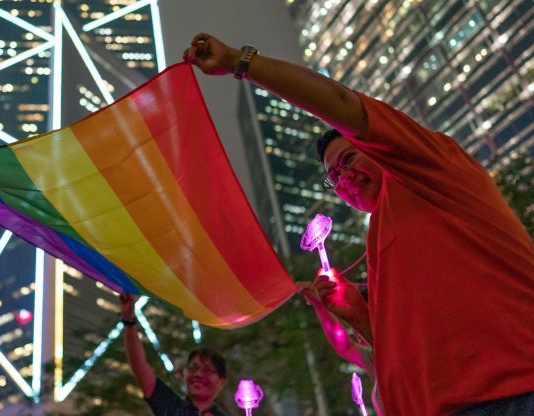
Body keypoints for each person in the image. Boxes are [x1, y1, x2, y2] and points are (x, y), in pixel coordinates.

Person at [184, 34, 534, 415]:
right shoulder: (381, 235)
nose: (344, 176)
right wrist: (357, 314)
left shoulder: (429, 168)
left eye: (349, 159)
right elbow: (404, 347)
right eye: (334, 176)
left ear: (377, 147)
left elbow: (341, 104)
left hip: (508, 393)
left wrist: (239, 61)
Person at [119, 294, 229, 416]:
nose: (198, 374)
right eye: (193, 368)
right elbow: (139, 366)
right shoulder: (171, 406)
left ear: (221, 382)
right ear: (184, 373)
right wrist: (129, 319)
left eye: (207, 370)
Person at [298, 272, 383, 415]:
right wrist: (319, 304)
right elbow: (344, 346)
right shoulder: (374, 359)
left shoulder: (404, 353)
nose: (357, 332)